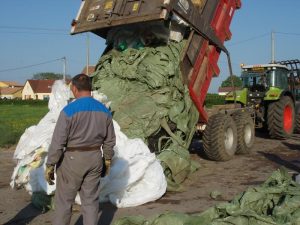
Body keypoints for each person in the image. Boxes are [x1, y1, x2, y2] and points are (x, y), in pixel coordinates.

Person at [44, 74, 116, 225]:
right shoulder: (104, 111)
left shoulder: (68, 111)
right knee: (90, 203)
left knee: (64, 203)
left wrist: (50, 164)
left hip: (72, 160)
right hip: (95, 158)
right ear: (90, 89)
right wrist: (107, 159)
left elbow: (58, 142)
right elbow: (110, 140)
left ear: (75, 89)